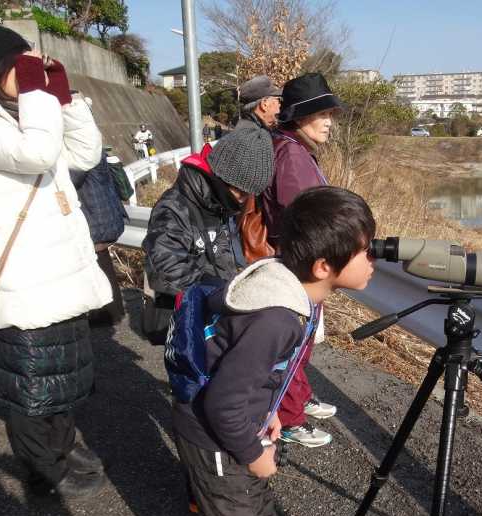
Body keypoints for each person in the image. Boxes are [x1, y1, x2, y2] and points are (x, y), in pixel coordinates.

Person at [0, 23, 112, 497]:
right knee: (31, 381)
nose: (32, 68)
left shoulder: (21, 113)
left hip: (57, 268)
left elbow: (85, 154)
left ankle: (63, 445)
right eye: (21, 62)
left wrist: (64, 99)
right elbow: (37, 153)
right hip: (23, 275)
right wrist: (37, 93)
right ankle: (42, 466)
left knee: (63, 371)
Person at [173, 186, 376, 516]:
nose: (374, 261)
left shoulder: (290, 286)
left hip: (240, 424)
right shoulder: (278, 317)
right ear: (323, 266)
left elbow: (254, 371)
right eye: (365, 252)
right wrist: (253, 454)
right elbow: (223, 403)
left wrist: (270, 410)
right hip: (216, 438)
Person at [260, 72, 344, 447]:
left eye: (329, 114)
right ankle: (290, 418)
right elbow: (299, 216)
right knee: (294, 342)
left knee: (300, 342)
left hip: (302, 261)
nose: (328, 122)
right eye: (319, 114)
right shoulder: (291, 153)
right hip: (298, 264)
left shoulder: (295, 148)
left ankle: (297, 400)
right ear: (298, 117)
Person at [142, 126, 274, 340]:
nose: (242, 199)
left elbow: (223, 253)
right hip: (182, 314)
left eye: (248, 194)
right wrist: (214, 291)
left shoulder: (218, 204)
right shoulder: (174, 207)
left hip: (211, 312)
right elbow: (165, 265)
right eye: (239, 191)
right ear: (220, 177)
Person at [70, 147, 128, 326]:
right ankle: (113, 312)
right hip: (104, 211)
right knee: (103, 263)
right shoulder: (93, 148)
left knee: (99, 265)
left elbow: (71, 179)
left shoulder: (80, 154)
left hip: (95, 213)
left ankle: (106, 314)